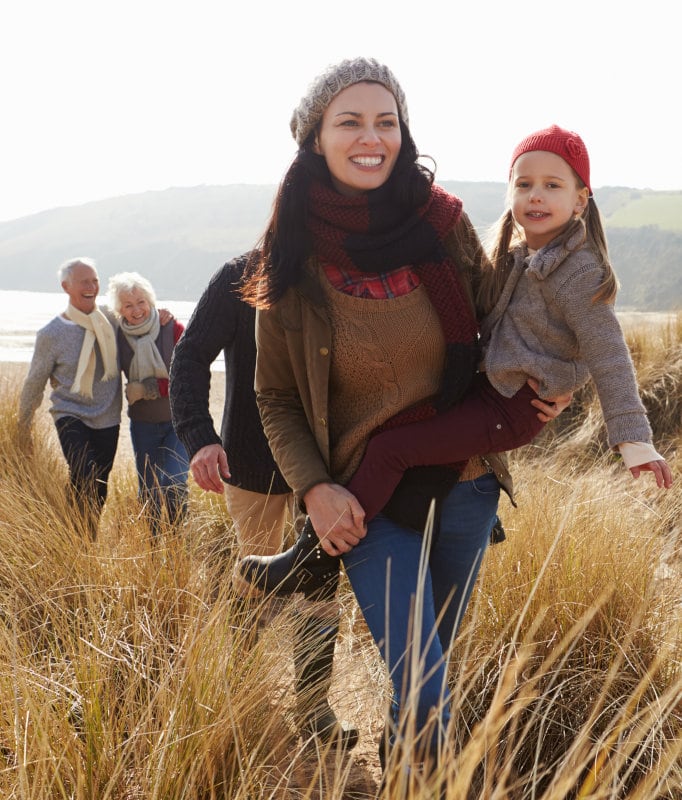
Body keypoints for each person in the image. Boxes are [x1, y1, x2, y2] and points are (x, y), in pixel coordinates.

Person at [235, 57, 570, 773]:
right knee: (423, 675)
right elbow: (277, 397)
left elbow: (501, 324)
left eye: (385, 121)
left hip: (466, 482)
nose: (372, 136)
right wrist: (314, 489)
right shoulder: (289, 259)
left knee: (428, 668)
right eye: (349, 121)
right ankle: (442, 777)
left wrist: (558, 374)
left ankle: (405, 767)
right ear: (315, 137)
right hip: (365, 500)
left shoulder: (443, 227)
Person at [167, 253, 359, 750]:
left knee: (321, 581)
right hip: (249, 462)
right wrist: (199, 436)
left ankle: (313, 705)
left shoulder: (348, 269)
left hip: (326, 467)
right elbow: (188, 356)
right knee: (257, 580)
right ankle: (236, 680)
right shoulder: (240, 274)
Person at [19, 257, 121, 540]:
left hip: (108, 416)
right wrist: (23, 424)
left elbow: (141, 322)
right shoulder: (51, 333)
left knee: (98, 484)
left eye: (95, 280)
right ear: (66, 287)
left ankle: (83, 538)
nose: (91, 287)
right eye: (84, 282)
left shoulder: (112, 319)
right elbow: (34, 382)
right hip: (70, 414)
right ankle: (74, 535)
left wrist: (160, 315)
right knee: (84, 473)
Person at [108, 272, 189, 535]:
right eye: (128, 305)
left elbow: (188, 376)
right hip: (142, 424)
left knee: (175, 483)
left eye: (141, 301)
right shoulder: (117, 334)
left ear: (151, 301)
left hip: (177, 422)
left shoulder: (172, 328)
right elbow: (90, 316)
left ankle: (179, 544)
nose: (136, 310)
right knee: (149, 488)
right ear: (119, 309)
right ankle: (153, 545)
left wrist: (148, 388)